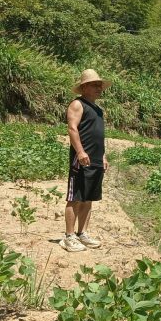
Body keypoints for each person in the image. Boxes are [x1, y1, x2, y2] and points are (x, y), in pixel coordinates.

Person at [61, 69, 111, 252]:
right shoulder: (77, 104)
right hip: (81, 159)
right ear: (84, 86)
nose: (99, 87)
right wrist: (80, 152)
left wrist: (103, 156)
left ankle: (82, 234)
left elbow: (99, 136)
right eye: (94, 84)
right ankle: (69, 236)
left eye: (100, 85)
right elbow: (72, 130)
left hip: (96, 159)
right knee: (75, 197)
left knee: (89, 197)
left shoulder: (98, 109)